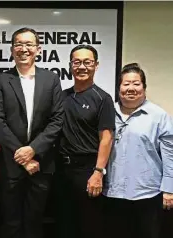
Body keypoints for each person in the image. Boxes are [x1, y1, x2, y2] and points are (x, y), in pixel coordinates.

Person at [0, 27, 64, 238]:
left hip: (41, 164)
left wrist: (33, 150)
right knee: (10, 223)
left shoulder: (51, 80)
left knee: (35, 223)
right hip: (11, 165)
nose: (24, 49)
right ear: (12, 50)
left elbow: (57, 120)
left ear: (38, 49)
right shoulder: (1, 81)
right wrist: (22, 156)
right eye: (19, 44)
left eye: (29, 44)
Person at [103, 63, 173, 238]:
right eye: (126, 84)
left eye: (136, 83)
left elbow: (169, 154)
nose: (131, 88)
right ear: (119, 87)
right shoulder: (107, 112)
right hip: (112, 193)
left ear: (144, 87)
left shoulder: (158, 116)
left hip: (148, 194)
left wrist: (169, 189)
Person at [55, 44, 115, 238]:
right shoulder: (62, 96)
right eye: (77, 62)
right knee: (64, 224)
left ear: (96, 65)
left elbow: (106, 138)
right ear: (70, 65)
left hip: (88, 171)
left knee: (89, 225)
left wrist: (98, 172)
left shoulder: (102, 98)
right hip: (61, 171)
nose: (82, 67)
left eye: (87, 62)